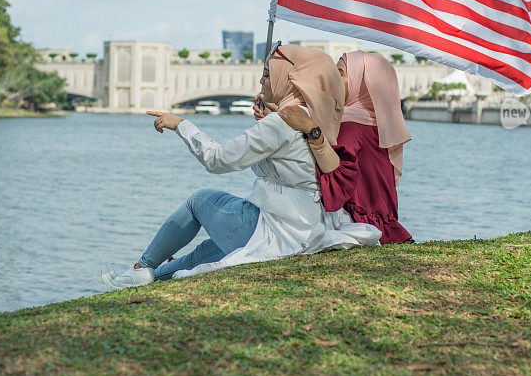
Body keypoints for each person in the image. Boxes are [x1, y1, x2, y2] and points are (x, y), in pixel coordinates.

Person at [102, 44, 381, 290]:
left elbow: (218, 159)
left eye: (269, 74)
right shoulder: (307, 116)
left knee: (198, 200)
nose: (262, 79)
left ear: (291, 79)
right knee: (199, 255)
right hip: (304, 229)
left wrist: (181, 125)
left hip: (272, 228)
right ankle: (147, 278)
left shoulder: (281, 122)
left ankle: (142, 266)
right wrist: (266, 120)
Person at [258, 51, 413, 244]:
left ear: (363, 84)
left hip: (356, 225)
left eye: (340, 73)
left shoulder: (350, 126)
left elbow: (325, 173)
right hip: (385, 225)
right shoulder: (379, 125)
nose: (333, 77)